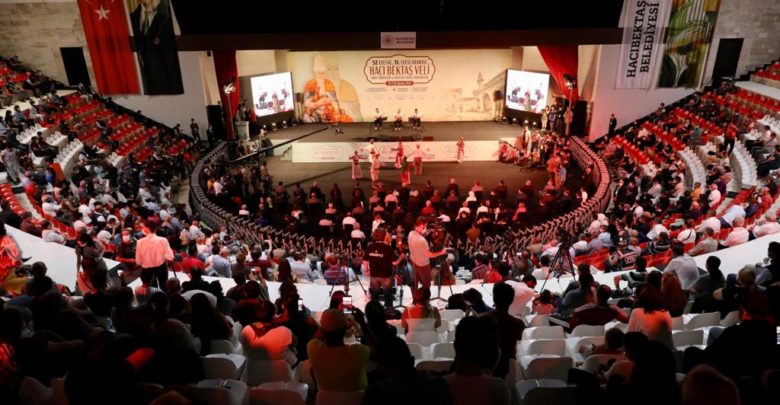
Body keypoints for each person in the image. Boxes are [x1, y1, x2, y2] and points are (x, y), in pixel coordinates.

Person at [307, 309, 371, 392]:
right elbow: (379, 351)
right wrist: (362, 323)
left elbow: (318, 336)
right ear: (345, 329)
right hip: (358, 398)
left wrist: (328, 321)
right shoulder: (358, 351)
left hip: (326, 398)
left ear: (322, 330)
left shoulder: (313, 348)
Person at [128, 0, 183, 95]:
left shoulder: (166, 14)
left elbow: (178, 36)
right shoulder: (132, 17)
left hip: (166, 75)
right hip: (146, 76)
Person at [483, 282, 525, 378]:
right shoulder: (518, 324)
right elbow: (518, 338)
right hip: (508, 367)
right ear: (511, 301)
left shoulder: (482, 319)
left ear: (494, 298)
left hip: (486, 366)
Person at [302, 53, 352, 123]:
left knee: (346, 119)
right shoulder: (310, 84)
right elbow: (307, 105)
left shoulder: (329, 83)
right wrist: (319, 103)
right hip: (315, 113)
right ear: (315, 72)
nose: (321, 75)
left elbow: (334, 102)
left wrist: (336, 112)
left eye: (323, 73)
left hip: (329, 113)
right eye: (319, 73)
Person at [407, 219, 447, 291]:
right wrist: (441, 252)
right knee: (426, 285)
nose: (425, 228)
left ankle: (415, 297)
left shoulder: (410, 234)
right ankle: (424, 297)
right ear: (422, 226)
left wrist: (423, 234)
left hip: (414, 262)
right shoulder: (422, 240)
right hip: (423, 265)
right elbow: (429, 255)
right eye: (425, 226)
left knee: (414, 284)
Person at [364, 228, 399, 308]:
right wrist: (399, 259)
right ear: (384, 236)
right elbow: (394, 263)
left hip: (374, 275)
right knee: (388, 296)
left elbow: (365, 261)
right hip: (386, 276)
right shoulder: (388, 248)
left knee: (374, 296)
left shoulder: (370, 247)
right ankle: (389, 311)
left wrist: (366, 270)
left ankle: (375, 311)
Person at [135, 220, 174, 291]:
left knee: (152, 289)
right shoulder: (163, 240)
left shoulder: (140, 242)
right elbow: (170, 257)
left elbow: (138, 261)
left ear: (147, 228)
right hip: (161, 268)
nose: (142, 229)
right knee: (164, 287)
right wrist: (161, 254)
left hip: (147, 269)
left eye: (143, 227)